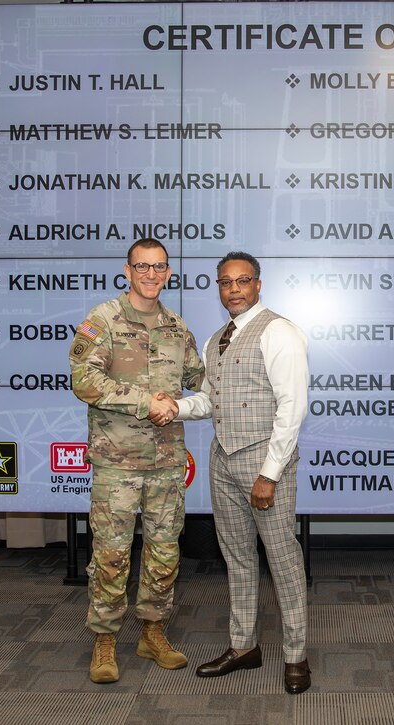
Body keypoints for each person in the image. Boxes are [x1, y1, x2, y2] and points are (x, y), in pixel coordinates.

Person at [170, 251, 312, 694]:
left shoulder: (279, 332)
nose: (233, 289)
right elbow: (210, 400)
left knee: (283, 562)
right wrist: (173, 407)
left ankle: (296, 656)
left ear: (258, 284)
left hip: (263, 465)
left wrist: (269, 474)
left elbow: (292, 409)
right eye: (225, 282)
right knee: (238, 559)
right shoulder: (217, 341)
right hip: (222, 461)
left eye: (242, 280)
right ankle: (244, 646)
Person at [68, 238, 203, 684]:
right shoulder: (102, 321)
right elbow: (85, 380)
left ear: (168, 272)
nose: (151, 274)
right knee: (111, 554)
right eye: (142, 266)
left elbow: (198, 381)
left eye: (159, 267)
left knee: (164, 551)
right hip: (117, 463)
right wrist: (148, 401)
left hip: (166, 462)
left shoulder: (178, 328)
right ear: (127, 270)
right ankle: (104, 639)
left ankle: (152, 630)